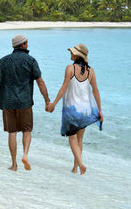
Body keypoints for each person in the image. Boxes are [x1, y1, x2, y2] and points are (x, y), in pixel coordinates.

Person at [0, 34, 51, 172]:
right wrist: (47, 100)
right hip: (25, 102)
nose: (27, 45)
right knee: (27, 130)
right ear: (23, 45)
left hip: (7, 102)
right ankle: (25, 155)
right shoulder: (31, 61)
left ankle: (13, 164)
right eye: (26, 43)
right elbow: (40, 82)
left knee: (12, 132)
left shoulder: (3, 61)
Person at [46, 43, 104, 175]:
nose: (70, 54)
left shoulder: (70, 68)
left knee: (72, 139)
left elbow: (64, 87)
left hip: (72, 110)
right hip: (85, 111)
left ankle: (81, 165)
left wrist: (54, 103)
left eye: (72, 52)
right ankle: (75, 168)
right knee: (80, 140)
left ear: (78, 55)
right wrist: (100, 110)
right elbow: (96, 92)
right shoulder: (91, 71)